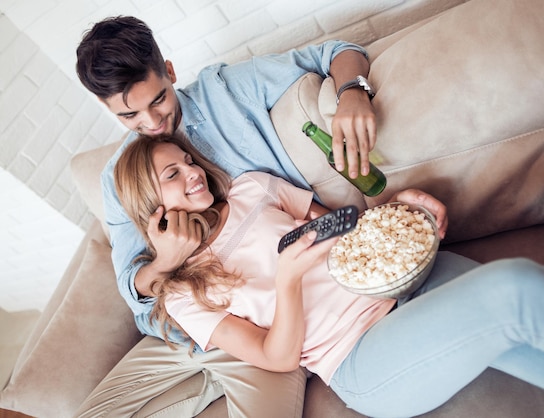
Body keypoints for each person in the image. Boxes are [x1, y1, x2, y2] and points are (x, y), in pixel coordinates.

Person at [115, 133, 544, 418]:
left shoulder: (253, 188)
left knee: (521, 331)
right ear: (151, 205)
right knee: (517, 289)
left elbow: (349, 231)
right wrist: (288, 277)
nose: (194, 173)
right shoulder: (183, 292)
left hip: (405, 284)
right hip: (362, 357)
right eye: (173, 175)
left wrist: (394, 210)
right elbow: (277, 357)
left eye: (188, 160)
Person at [74, 15, 380, 417]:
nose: (151, 124)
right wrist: (166, 262)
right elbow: (136, 288)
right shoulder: (119, 179)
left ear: (169, 72)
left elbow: (335, 53)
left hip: (265, 320)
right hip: (189, 322)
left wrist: (352, 93)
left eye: (158, 100)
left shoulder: (227, 92)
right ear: (105, 107)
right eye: (129, 116)